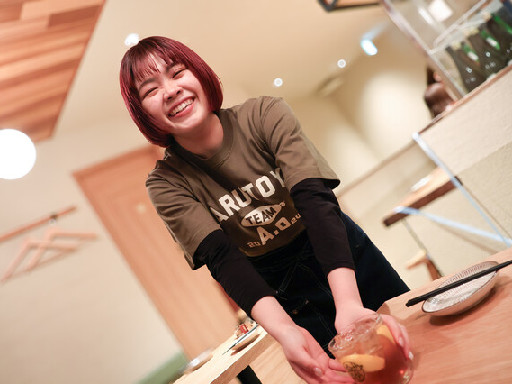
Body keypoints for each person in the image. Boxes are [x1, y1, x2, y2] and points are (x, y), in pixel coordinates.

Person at [120, 36, 412, 384]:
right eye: (150, 90)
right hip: (285, 293)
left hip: (343, 257)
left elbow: (315, 202)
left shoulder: (264, 115)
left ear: (199, 75)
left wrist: (348, 302)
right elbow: (223, 259)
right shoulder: (166, 183)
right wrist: (286, 331)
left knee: (413, 347)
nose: (170, 91)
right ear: (144, 114)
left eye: (177, 72)